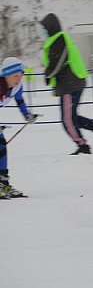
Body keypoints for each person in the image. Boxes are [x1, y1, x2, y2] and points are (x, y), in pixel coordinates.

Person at [41, 13, 93, 155]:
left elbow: (57, 62)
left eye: (45, 28)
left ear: (51, 27)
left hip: (69, 83)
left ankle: (82, 146)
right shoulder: (58, 38)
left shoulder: (59, 39)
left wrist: (48, 74)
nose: (43, 30)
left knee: (67, 119)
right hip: (72, 81)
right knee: (72, 117)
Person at [0, 58, 38, 198]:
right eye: (15, 75)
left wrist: (27, 115)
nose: (19, 78)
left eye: (21, 74)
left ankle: (3, 183)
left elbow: (20, 100)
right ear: (6, 75)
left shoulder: (17, 86)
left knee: (1, 146)